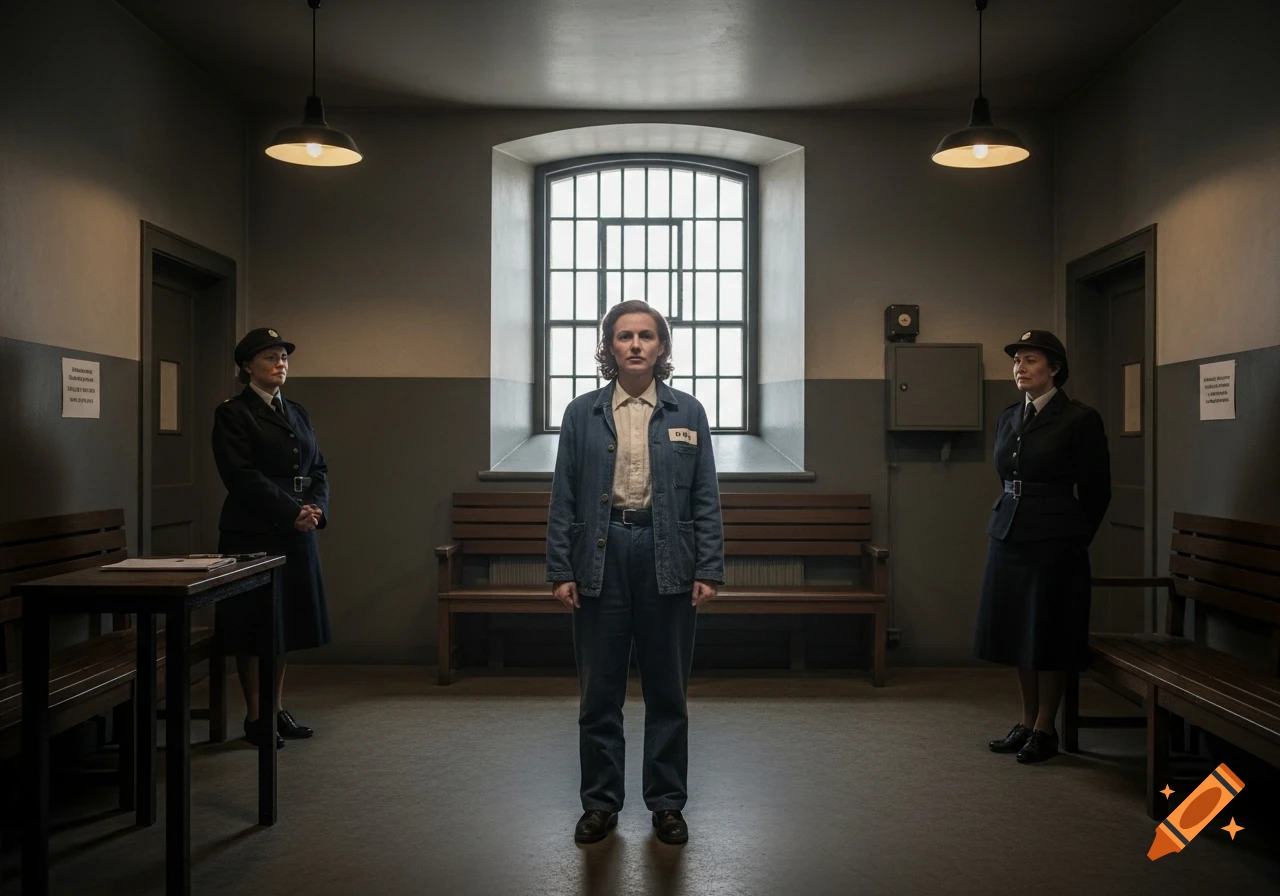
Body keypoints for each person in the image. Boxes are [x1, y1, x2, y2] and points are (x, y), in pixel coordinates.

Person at [547, 300, 725, 846]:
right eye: (624, 336)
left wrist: (709, 567)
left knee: (667, 690)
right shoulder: (582, 413)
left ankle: (667, 803)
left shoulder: (687, 413)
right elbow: (564, 496)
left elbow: (705, 496)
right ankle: (600, 804)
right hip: (601, 553)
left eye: (646, 336)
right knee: (599, 692)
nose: (635, 345)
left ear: (662, 347)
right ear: (609, 348)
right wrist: (561, 567)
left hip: (667, 554)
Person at [974, 330, 1111, 764]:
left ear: (1054, 369)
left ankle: (1046, 726)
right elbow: (1006, 476)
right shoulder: (1010, 416)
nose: (1020, 368)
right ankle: (1026, 719)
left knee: (1048, 632)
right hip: (1010, 532)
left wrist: (1071, 538)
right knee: (1019, 630)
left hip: (1055, 541)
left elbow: (1097, 491)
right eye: (1017, 361)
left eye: (1030, 360)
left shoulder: (1079, 418)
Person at [211, 328, 332, 749]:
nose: (281, 363)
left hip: (297, 530)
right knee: (253, 627)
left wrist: (316, 510)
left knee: (282, 627)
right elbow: (242, 477)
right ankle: (255, 715)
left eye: (284, 357)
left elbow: (318, 468)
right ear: (247, 367)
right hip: (254, 532)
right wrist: (290, 511)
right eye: (270, 357)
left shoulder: (296, 411)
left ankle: (276, 708)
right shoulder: (233, 413)